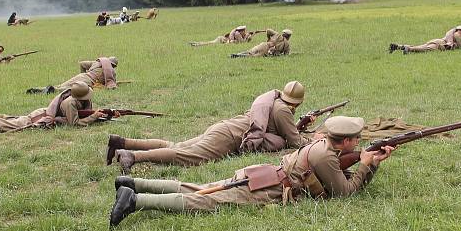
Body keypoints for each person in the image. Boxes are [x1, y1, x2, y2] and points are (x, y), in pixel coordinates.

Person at [108, 115, 394, 228]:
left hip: (262, 173)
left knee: (199, 188)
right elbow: (344, 194)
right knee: (204, 200)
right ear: (344, 141)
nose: (358, 142)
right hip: (265, 188)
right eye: (355, 139)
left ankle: (133, 182)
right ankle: (135, 200)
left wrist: (367, 162)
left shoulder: (323, 146)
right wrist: (368, 166)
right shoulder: (327, 157)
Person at [107, 81, 312, 172]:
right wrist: (313, 139)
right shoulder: (283, 110)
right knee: (187, 157)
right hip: (227, 138)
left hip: (224, 128)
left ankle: (122, 142)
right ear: (299, 102)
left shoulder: (274, 102)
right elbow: (294, 141)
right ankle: (132, 156)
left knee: (176, 145)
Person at [0, 82, 104, 132]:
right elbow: (74, 124)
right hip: (41, 118)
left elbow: (83, 113)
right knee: (5, 124)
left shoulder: (74, 99)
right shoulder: (69, 103)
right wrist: (94, 117)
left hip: (42, 112)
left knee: (12, 118)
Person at [26, 57, 118, 94]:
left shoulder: (95, 63)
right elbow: (111, 85)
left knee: (61, 85)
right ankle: (53, 90)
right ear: (113, 65)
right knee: (69, 89)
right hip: (87, 81)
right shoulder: (111, 71)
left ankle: (40, 89)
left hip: (82, 75)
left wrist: (84, 73)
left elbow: (82, 64)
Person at [389, 25, 461, 54]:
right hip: (439, 45)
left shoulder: (455, 34)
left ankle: (397, 47)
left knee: (419, 47)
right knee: (420, 49)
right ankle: (408, 48)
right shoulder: (457, 35)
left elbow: (457, 44)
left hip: (438, 42)